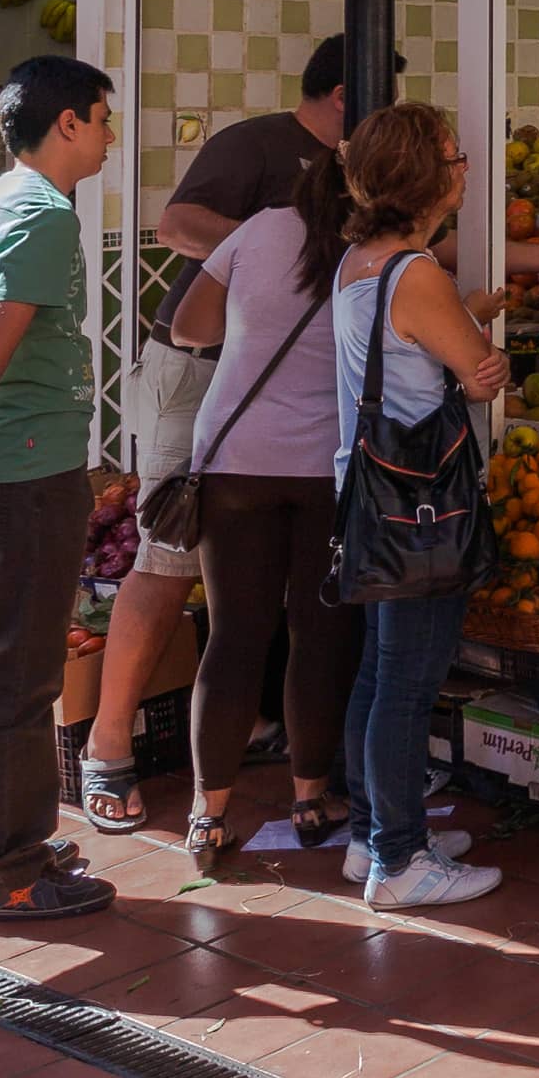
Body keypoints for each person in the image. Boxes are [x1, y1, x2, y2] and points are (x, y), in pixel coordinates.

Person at [77, 37, 387, 832]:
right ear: (347, 94)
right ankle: (108, 748)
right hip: (205, 381)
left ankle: (250, 760)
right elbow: (175, 223)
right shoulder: (255, 145)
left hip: (269, 406)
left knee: (261, 609)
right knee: (168, 558)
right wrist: (268, 252)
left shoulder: (357, 180)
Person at [0, 55, 120, 922]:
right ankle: (6, 868)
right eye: (104, 117)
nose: (112, 133)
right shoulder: (40, 216)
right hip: (25, 469)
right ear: (67, 123)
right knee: (21, 676)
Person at [331, 102, 509, 912]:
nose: (466, 167)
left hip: (367, 493)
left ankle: (372, 832)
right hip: (420, 505)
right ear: (430, 179)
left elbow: (402, 351)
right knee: (408, 679)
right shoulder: (417, 271)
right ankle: (400, 862)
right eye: (456, 156)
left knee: (378, 669)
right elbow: (477, 373)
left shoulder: (360, 262)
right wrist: (487, 347)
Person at [165, 147, 361, 876]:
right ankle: (311, 799)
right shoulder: (373, 250)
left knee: (234, 638)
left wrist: (256, 326)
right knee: (319, 635)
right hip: (325, 469)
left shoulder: (256, 231)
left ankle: (206, 816)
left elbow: (187, 328)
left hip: (235, 460)